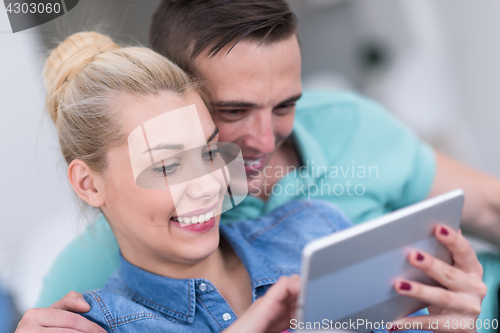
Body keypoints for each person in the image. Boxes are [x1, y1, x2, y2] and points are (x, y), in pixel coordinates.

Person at [16, 0, 500, 331]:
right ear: (88, 183)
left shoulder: (315, 226)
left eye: (208, 151)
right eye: (167, 166)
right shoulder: (93, 315)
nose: (206, 185)